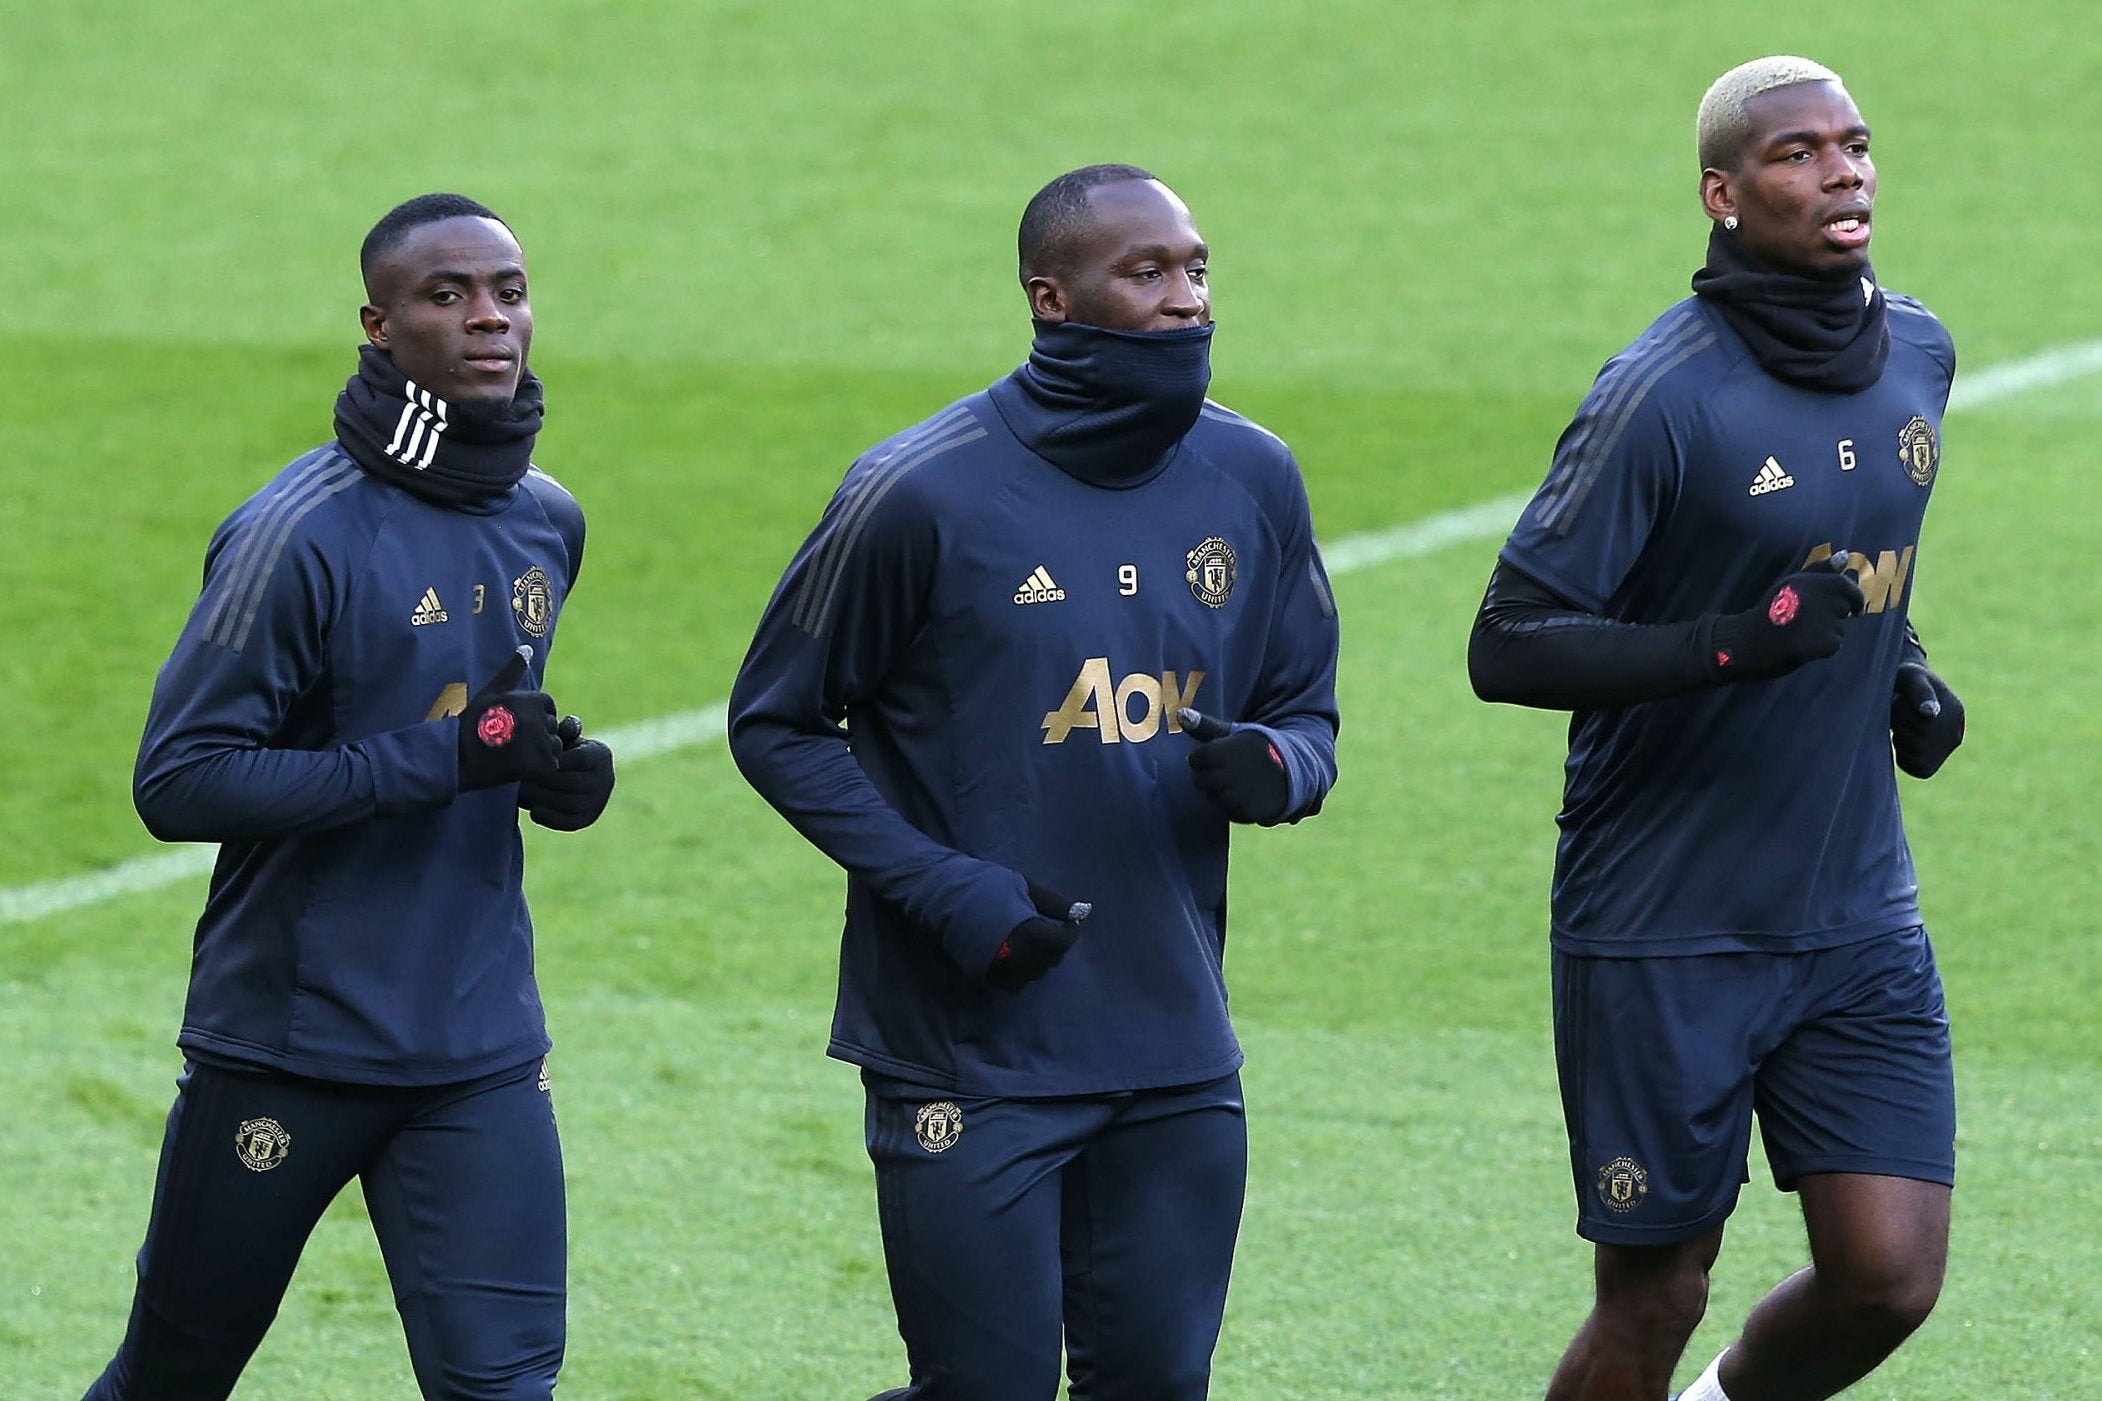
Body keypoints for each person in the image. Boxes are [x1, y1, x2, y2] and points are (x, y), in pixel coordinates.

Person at [728, 163, 1339, 1400]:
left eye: (1196, 268)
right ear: (1051, 299)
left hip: (1171, 1043)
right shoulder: (920, 491)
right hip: (967, 1051)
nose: (1186, 301)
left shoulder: (1252, 477)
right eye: (1147, 272)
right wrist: (947, 890)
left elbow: (1306, 711)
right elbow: (775, 722)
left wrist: (1276, 766)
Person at [1468, 57, 1968, 1401]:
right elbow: (1506, 644)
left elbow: (1853, 563)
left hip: (1852, 907)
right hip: (1663, 918)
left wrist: (1901, 673)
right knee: (1657, 1289)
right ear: (1722, 194)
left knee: (1886, 1275)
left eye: (1853, 145)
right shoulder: (1659, 397)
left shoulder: (1917, 349)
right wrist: (1739, 643)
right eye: (1796, 153)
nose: (1840, 171)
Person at [81, 192, 615, 1401]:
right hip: (294, 1040)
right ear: (379, 326)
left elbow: (479, 720)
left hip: (479, 1040)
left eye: (509, 292)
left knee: (505, 1387)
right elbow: (179, 781)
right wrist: (444, 760)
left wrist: (552, 780)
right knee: (175, 1374)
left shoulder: (545, 520)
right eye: (449, 296)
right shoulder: (297, 535)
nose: (491, 319)